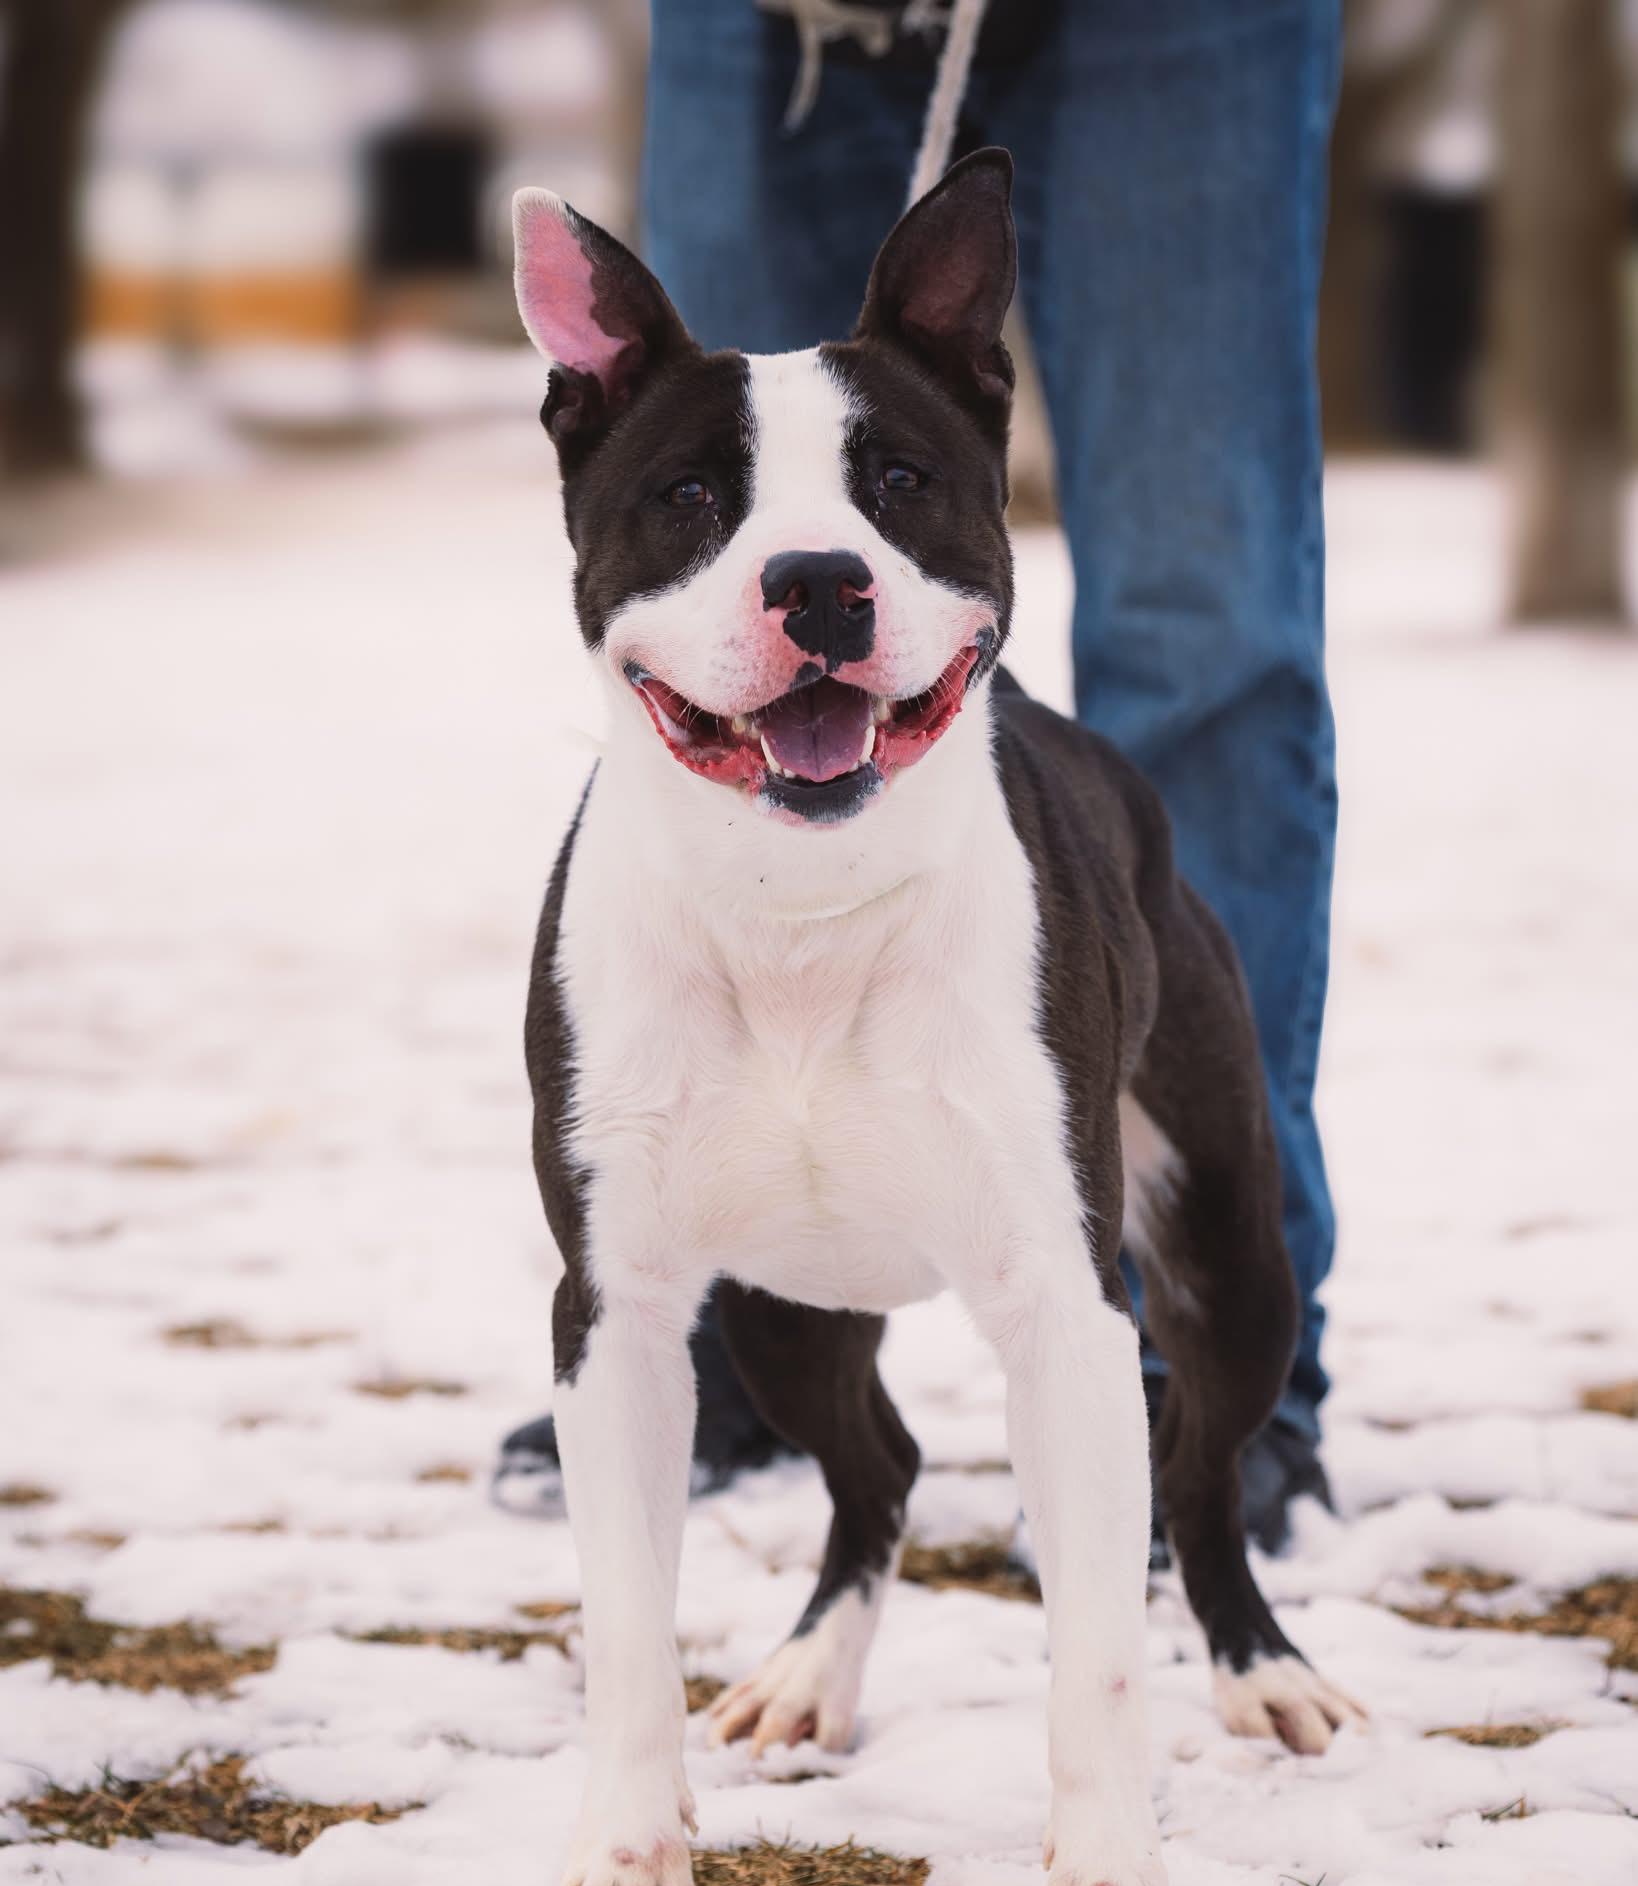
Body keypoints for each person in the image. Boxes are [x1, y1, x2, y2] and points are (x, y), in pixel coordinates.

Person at [497, 0, 1343, 1557]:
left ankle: (1199, 1360)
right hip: (774, 24)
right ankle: (696, 1307)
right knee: (719, 515)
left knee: (1202, 624)